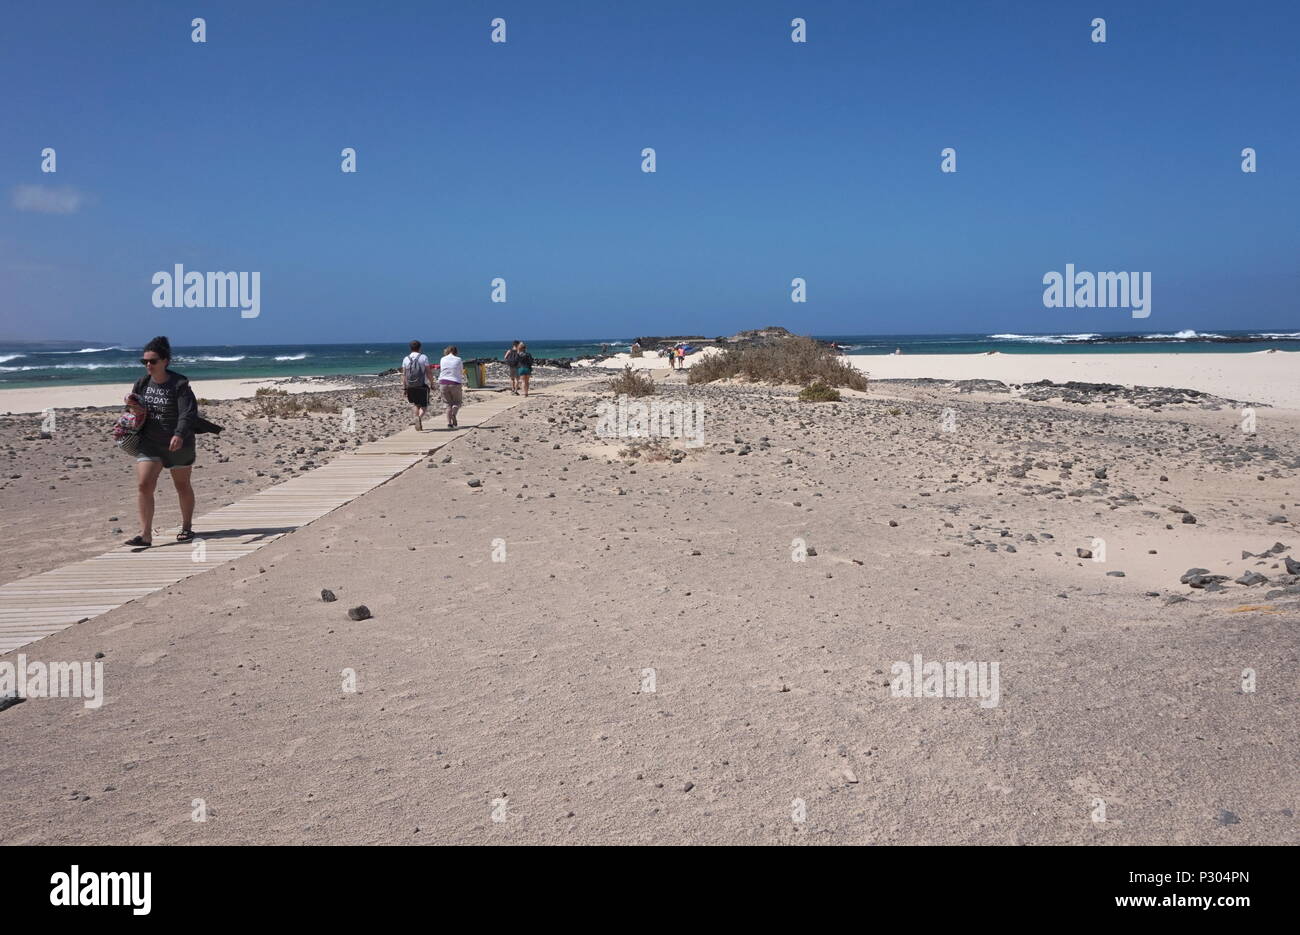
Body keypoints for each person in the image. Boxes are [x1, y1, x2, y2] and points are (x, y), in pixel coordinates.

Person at [123, 336, 206, 548]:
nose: (148, 365)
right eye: (145, 362)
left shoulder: (179, 384)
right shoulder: (142, 383)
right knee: (144, 485)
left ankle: (186, 527)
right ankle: (145, 535)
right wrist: (132, 407)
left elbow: (187, 413)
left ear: (165, 361)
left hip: (179, 443)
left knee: (182, 485)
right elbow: (134, 410)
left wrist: (178, 434)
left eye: (153, 361)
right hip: (150, 442)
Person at [400, 340, 433, 430]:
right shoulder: (423, 357)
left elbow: (404, 375)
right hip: (422, 385)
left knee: (415, 404)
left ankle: (415, 416)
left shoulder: (406, 358)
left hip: (410, 386)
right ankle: (419, 417)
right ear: (420, 347)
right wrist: (432, 383)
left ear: (410, 348)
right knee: (424, 406)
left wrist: (404, 388)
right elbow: (428, 372)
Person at [438, 345, 466, 428]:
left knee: (447, 404)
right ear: (456, 351)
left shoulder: (442, 359)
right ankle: (454, 413)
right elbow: (461, 371)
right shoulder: (458, 359)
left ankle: (449, 423)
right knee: (457, 402)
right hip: (455, 382)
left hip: (443, 382)